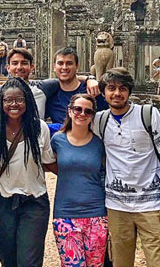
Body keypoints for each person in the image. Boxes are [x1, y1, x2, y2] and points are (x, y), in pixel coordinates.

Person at [92, 68, 160, 267]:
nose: (117, 93)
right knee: (120, 262)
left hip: (152, 205)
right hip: (116, 206)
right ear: (103, 93)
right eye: (111, 88)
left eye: (122, 88)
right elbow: (69, 128)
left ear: (129, 92)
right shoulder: (99, 120)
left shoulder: (148, 114)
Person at [0, 77, 56, 267]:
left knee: (29, 261)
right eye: (8, 100)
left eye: (19, 99)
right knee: (8, 259)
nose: (14, 104)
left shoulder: (39, 127)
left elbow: (48, 162)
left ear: (28, 101)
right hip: (1, 201)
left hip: (34, 200)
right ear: (1, 102)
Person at [51, 94, 107, 267]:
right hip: (66, 214)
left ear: (93, 115)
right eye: (78, 109)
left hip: (96, 214)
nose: (82, 114)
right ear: (70, 111)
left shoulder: (99, 143)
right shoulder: (57, 140)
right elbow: (47, 163)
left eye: (88, 111)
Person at [0, 48, 99, 121]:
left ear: (31, 67)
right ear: (8, 68)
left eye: (24, 63)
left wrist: (89, 79)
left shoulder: (43, 88)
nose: (19, 67)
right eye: (15, 63)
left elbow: (66, 78)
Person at [45, 47, 107, 125]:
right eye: (60, 63)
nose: (64, 67)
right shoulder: (50, 94)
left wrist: (90, 79)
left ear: (77, 66)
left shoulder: (91, 90)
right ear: (54, 67)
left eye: (69, 63)